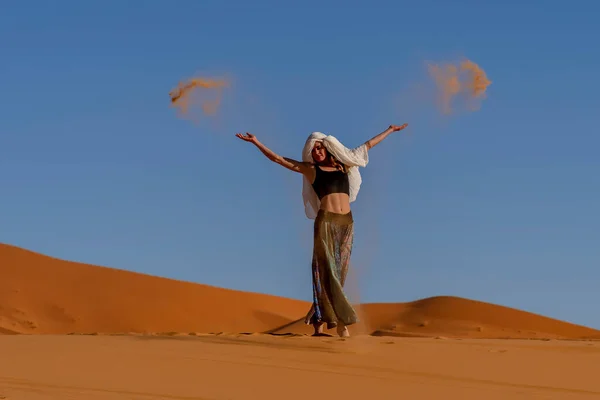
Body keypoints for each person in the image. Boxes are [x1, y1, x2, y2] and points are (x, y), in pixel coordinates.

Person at [235, 123, 408, 337]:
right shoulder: (311, 170)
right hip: (325, 222)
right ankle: (343, 320)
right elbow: (279, 160)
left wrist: (390, 130)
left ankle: (319, 318)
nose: (317, 152)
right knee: (324, 271)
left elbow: (368, 146)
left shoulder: (344, 166)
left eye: (320, 147)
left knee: (340, 271)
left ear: (326, 148)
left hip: (347, 223)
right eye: (314, 149)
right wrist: (256, 142)